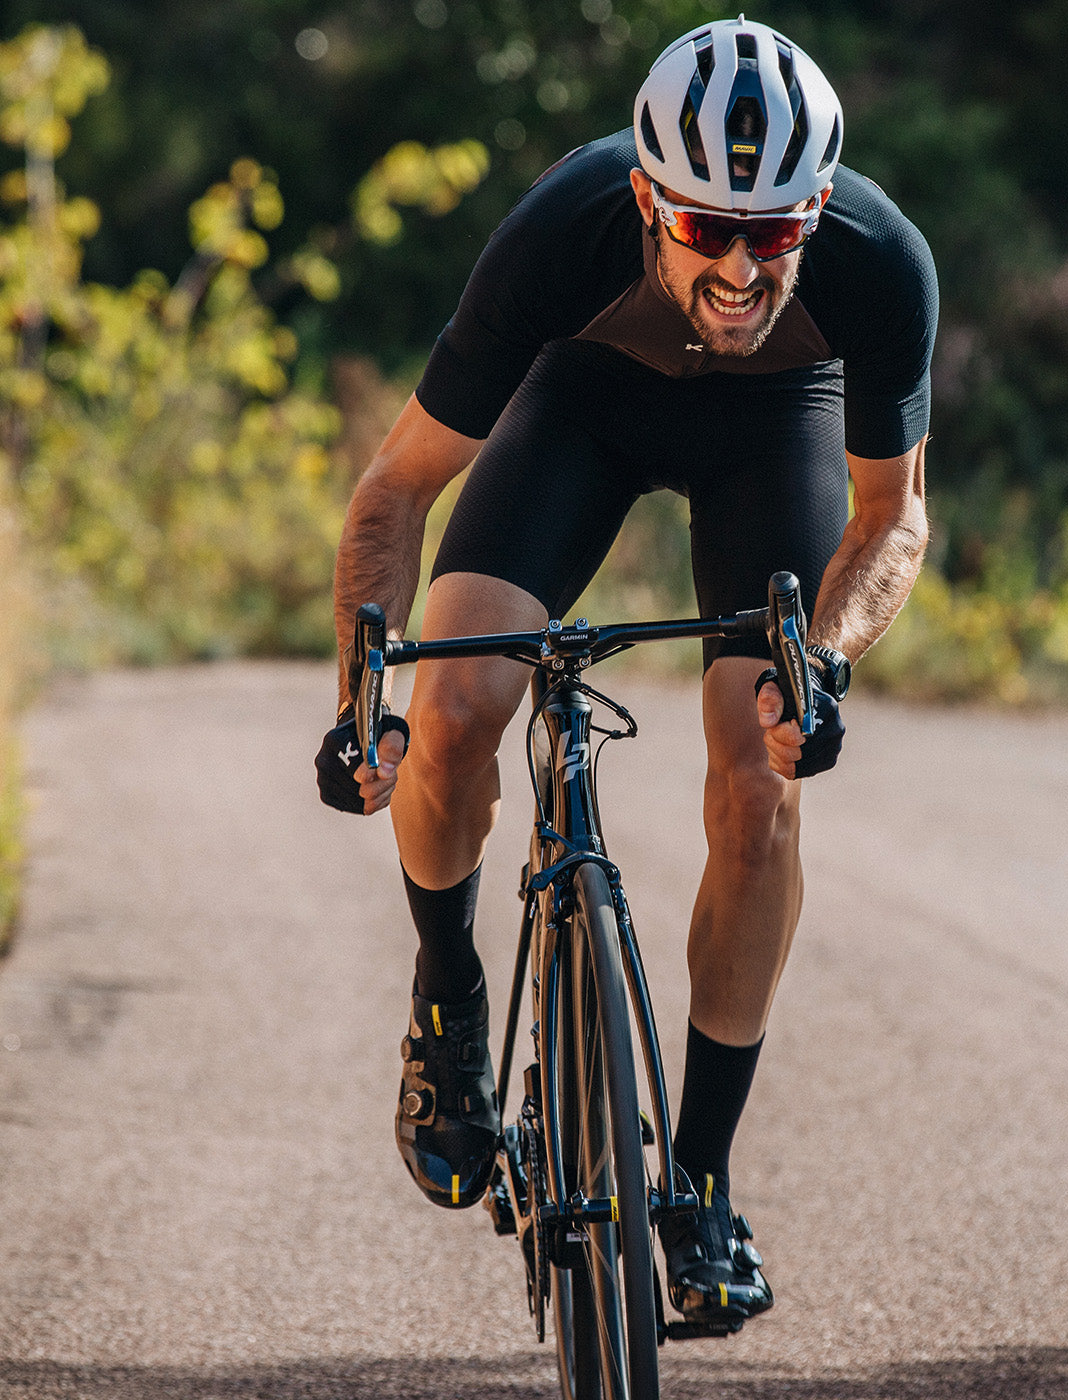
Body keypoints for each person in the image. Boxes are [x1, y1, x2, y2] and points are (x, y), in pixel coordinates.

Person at [316, 14, 937, 1330]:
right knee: (457, 707)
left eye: (774, 231)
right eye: (705, 224)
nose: (737, 262)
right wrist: (355, 703)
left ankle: (700, 1182)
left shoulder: (881, 265)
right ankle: (446, 1003)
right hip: (586, 404)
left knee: (761, 792)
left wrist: (815, 664)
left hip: (779, 429)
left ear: (816, 210)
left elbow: (894, 523)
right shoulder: (563, 231)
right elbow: (395, 493)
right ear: (648, 197)